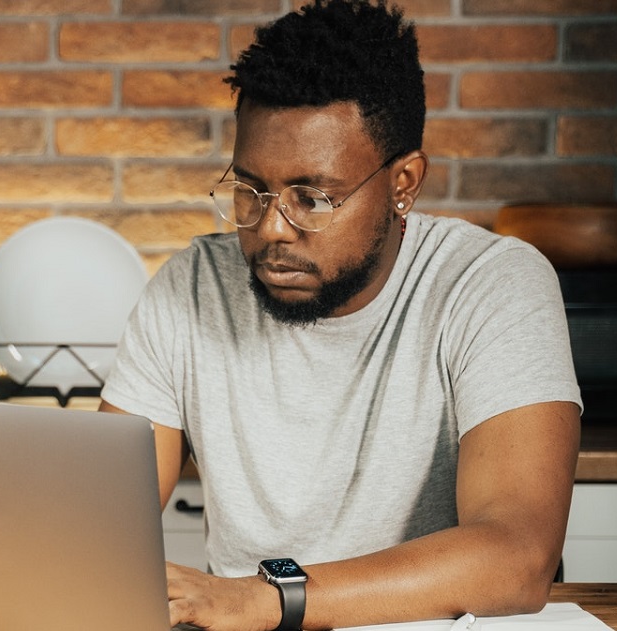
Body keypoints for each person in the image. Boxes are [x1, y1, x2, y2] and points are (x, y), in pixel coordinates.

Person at [97, 1, 583, 629]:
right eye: (250, 190)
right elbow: (97, 524)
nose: (271, 228)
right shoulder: (191, 289)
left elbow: (516, 558)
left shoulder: (490, 283)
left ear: (404, 182)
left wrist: (266, 599)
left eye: (314, 197)